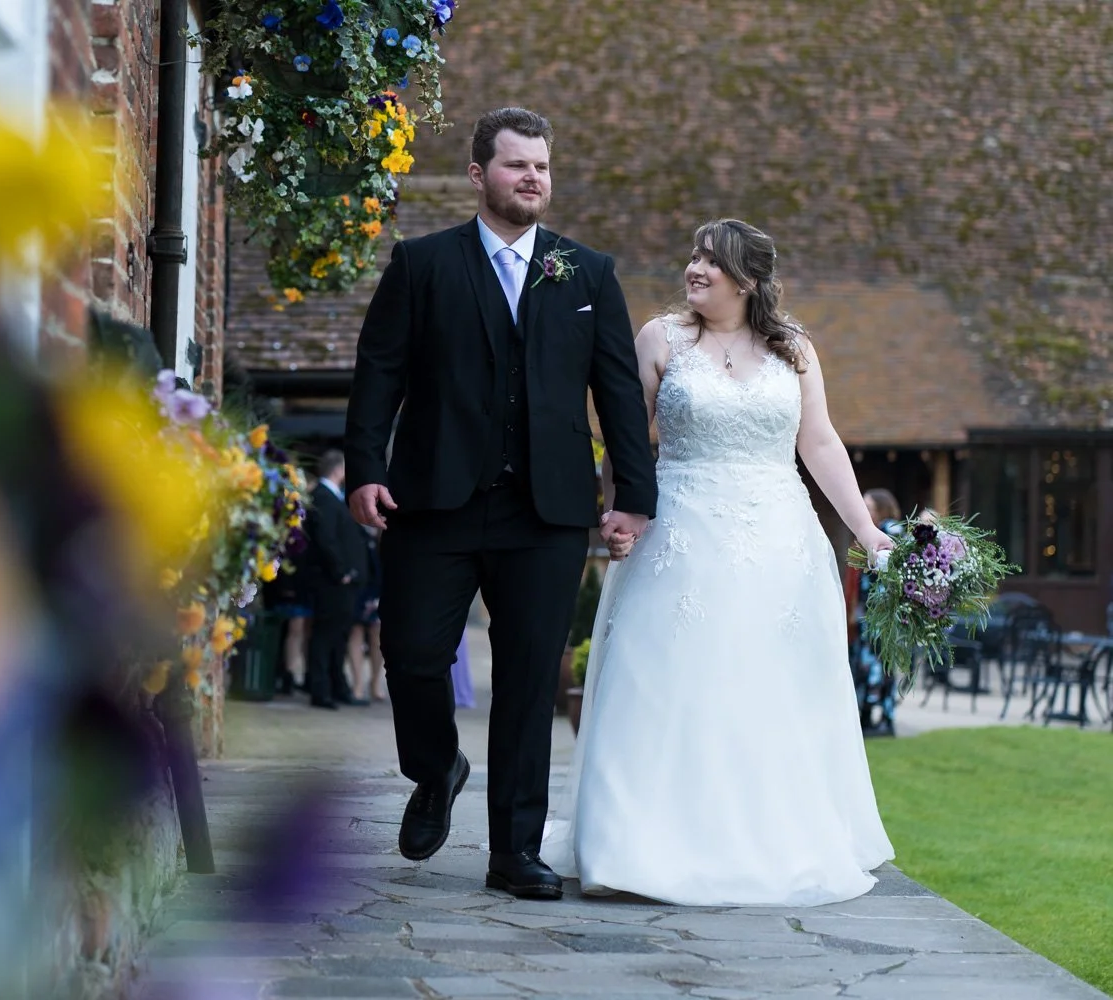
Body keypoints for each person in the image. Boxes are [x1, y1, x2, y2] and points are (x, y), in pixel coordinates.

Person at [344, 107, 656, 900]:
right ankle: (435, 765)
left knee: (526, 682)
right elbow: (379, 372)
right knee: (412, 656)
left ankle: (514, 852)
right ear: (478, 174)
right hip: (434, 502)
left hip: (546, 512)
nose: (533, 179)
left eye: (542, 167)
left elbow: (619, 393)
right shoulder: (421, 265)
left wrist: (632, 499)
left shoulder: (587, 274)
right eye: (517, 165)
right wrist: (363, 471)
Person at [541, 219, 896, 907]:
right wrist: (622, 510)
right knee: (663, 680)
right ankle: (634, 844)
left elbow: (819, 441)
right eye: (695, 256)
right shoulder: (661, 339)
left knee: (764, 688)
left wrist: (865, 528)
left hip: (779, 541)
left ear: (749, 280)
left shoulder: (794, 350)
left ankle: (764, 839)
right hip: (678, 532)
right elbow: (626, 439)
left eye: (712, 260)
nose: (695, 268)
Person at [303, 449, 369, 710]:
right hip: (332, 582)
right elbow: (326, 539)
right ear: (338, 469)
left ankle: (337, 685)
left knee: (338, 636)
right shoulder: (323, 497)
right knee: (325, 635)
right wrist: (341, 571)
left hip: (341, 582)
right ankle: (321, 690)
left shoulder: (332, 497)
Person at [846, 488, 905, 734]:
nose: (865, 510)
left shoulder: (890, 531)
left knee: (877, 663)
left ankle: (879, 716)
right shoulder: (874, 531)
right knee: (869, 662)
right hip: (869, 611)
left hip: (882, 611)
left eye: (868, 506)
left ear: (881, 508)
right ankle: (869, 715)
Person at [346, 525, 386, 704]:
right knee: (355, 631)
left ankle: (375, 681)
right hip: (358, 583)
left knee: (377, 635)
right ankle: (358, 684)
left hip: (379, 582)